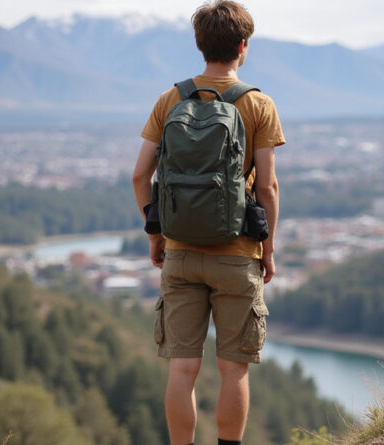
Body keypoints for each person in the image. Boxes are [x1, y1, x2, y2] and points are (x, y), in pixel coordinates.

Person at [131, 2, 284, 444]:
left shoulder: (171, 99)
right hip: (237, 254)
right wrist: (268, 249)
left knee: (182, 369)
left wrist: (156, 233)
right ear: (242, 46)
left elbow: (140, 176)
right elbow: (268, 187)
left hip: (180, 253)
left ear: (200, 45)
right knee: (234, 368)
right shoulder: (257, 103)